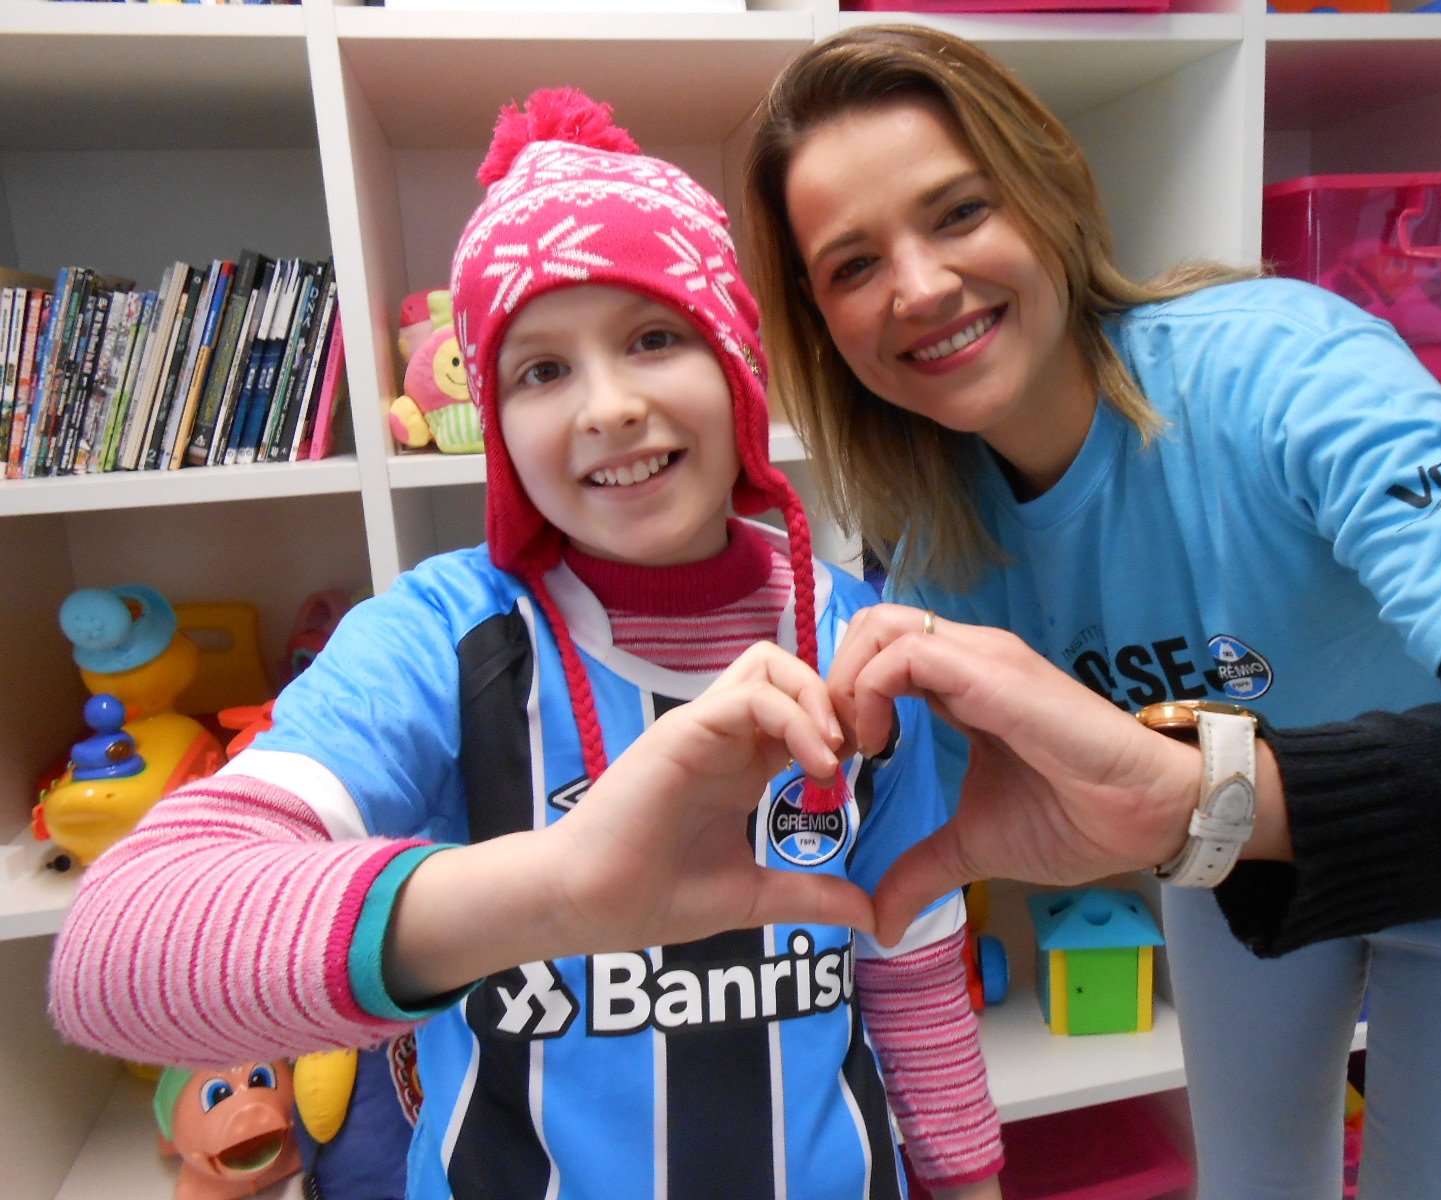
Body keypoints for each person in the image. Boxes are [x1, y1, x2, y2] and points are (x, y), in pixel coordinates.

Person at [49, 89, 1004, 1200]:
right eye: (540, 370)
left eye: (654, 337)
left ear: (739, 362)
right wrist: (554, 890)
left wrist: (970, 1181)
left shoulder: (855, 642)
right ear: (491, 424)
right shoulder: (435, 641)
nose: (608, 407)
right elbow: (113, 955)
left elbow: (916, 963)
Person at [741, 23, 1441, 1200]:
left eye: (957, 212)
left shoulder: (1283, 369)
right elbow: (868, 826)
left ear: (1049, 193)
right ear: (819, 325)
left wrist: (1206, 790)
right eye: (851, 265)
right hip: (1224, 857)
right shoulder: (929, 549)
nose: (922, 286)